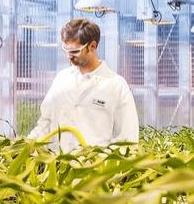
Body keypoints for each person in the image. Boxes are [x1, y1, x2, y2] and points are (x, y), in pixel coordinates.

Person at [28, 18, 139, 152]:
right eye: (66, 50)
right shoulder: (61, 79)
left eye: (75, 51)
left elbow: (127, 138)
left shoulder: (115, 85)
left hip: (95, 169)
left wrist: (102, 161)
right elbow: (46, 121)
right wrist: (30, 144)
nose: (69, 56)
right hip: (58, 166)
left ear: (92, 46)